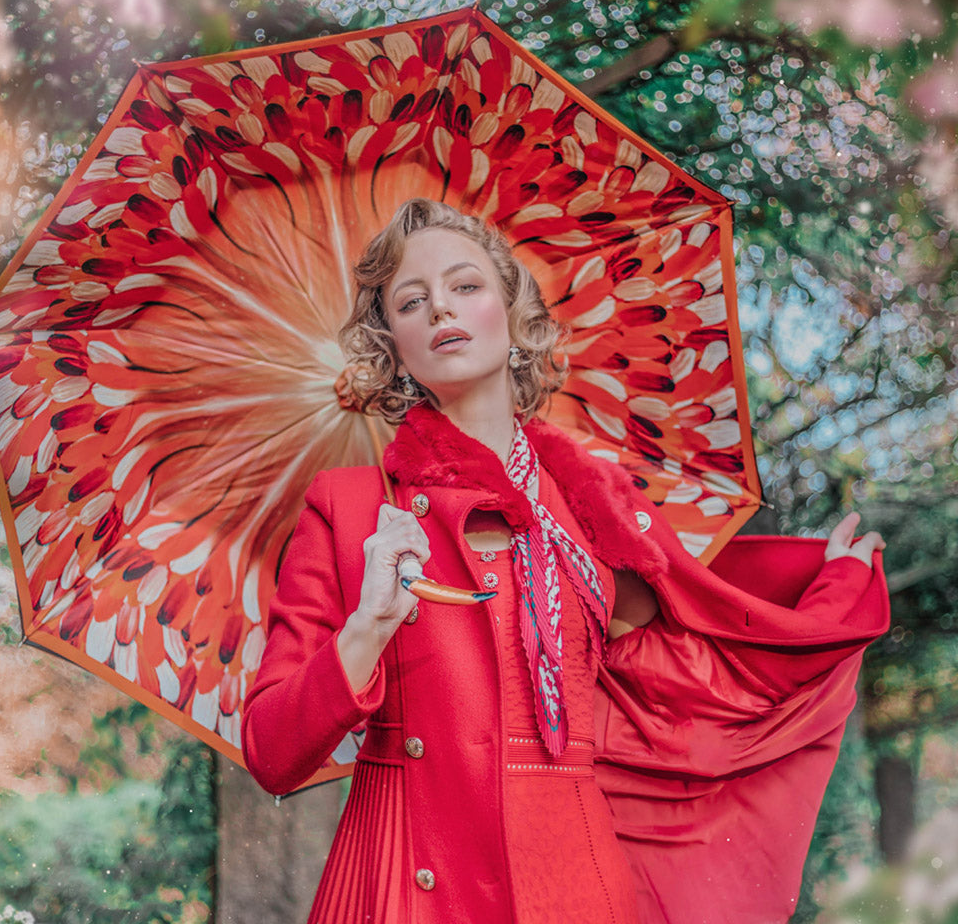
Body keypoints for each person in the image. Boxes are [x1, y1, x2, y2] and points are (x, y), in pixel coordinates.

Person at [241, 198, 889, 924]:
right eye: (411, 301)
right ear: (391, 344)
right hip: (402, 886)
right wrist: (365, 629)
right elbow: (271, 752)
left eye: (465, 286)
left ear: (513, 317)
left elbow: (698, 662)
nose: (440, 311)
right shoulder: (351, 510)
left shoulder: (591, 502)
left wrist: (831, 585)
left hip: (570, 886)